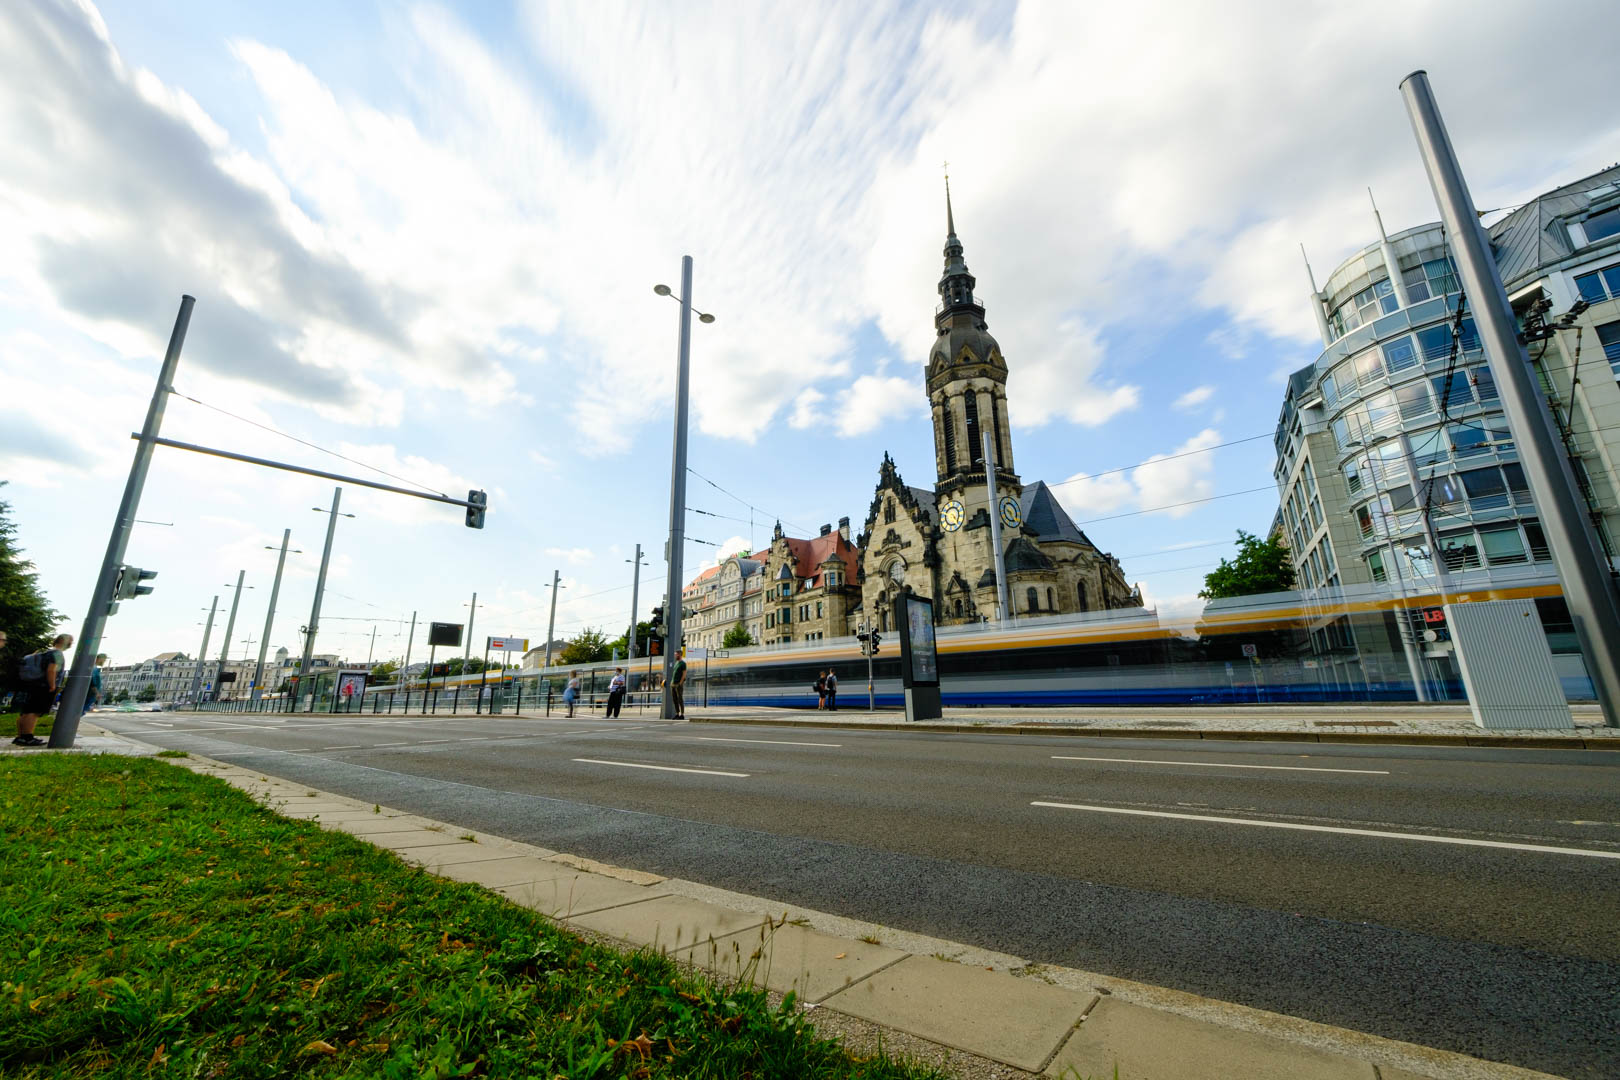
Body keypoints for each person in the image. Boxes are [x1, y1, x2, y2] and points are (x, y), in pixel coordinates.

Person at [14, 633, 72, 748]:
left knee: (26, 712)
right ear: (65, 642)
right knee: (34, 712)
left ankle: (20, 737)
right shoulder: (57, 654)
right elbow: (51, 670)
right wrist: (52, 685)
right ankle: (28, 737)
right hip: (44, 686)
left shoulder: (45, 652)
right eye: (70, 641)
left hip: (33, 684)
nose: (71, 644)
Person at [671, 649, 688, 719]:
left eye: (676, 654)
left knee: (680, 699)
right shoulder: (676, 663)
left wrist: (680, 683)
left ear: (679, 655)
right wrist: (671, 682)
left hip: (678, 684)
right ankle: (677, 713)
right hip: (673, 684)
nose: (675, 656)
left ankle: (682, 714)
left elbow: (684, 674)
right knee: (674, 700)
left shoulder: (683, 664)